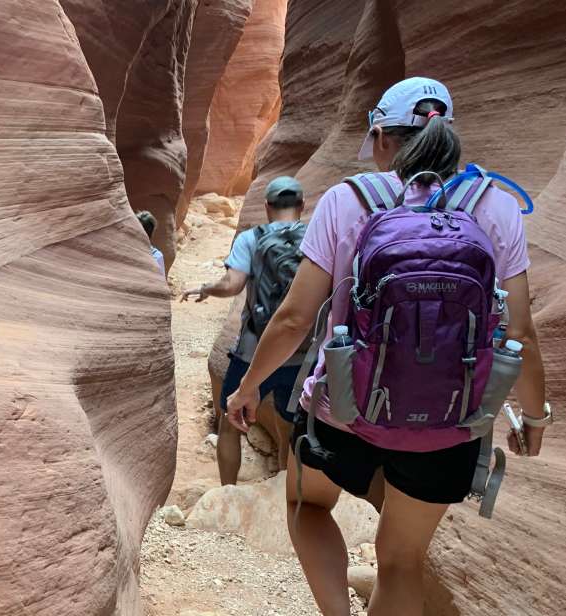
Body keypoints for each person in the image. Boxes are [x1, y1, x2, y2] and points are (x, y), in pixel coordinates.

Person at [225, 77, 550, 616]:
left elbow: (294, 318)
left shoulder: (347, 200)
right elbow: (521, 333)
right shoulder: (495, 207)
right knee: (401, 561)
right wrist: (534, 419)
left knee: (306, 505)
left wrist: (248, 386)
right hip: (453, 420)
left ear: (381, 137)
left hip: (343, 408)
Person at [182, 177, 307, 482]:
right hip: (300, 352)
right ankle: (284, 494)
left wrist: (207, 288)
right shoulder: (315, 237)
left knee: (230, 420)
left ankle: (228, 488)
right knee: (290, 428)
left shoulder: (252, 238)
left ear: (267, 207)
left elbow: (232, 285)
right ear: (302, 207)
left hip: (253, 351)